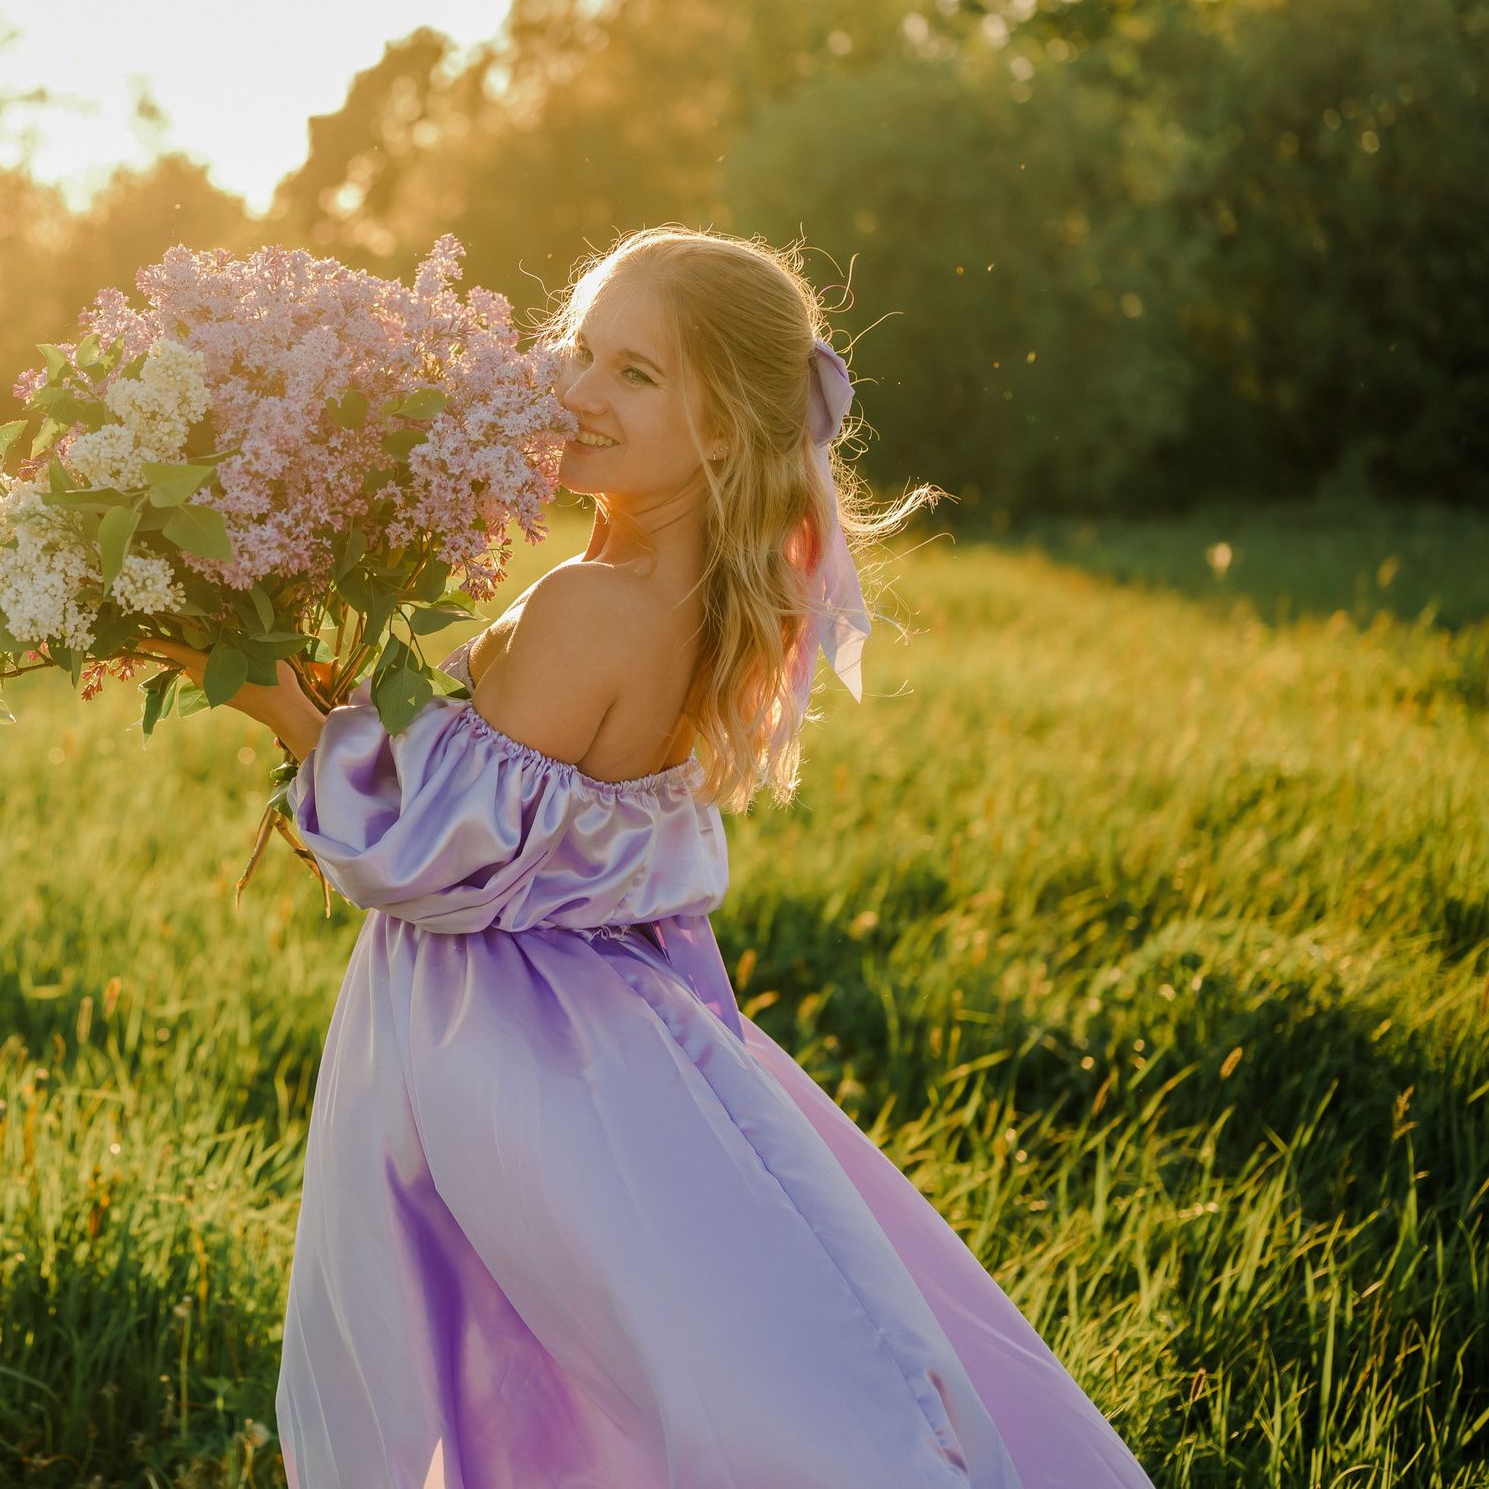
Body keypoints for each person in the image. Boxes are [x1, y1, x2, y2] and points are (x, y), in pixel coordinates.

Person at [145, 228, 1152, 1488]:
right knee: (634, 1352)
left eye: (636, 374)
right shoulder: (666, 587)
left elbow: (428, 854)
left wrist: (273, 701)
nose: (576, 392)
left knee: (517, 1354)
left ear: (725, 428)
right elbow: (503, 803)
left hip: (510, 1038)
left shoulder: (593, 607)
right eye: (578, 350)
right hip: (610, 1014)